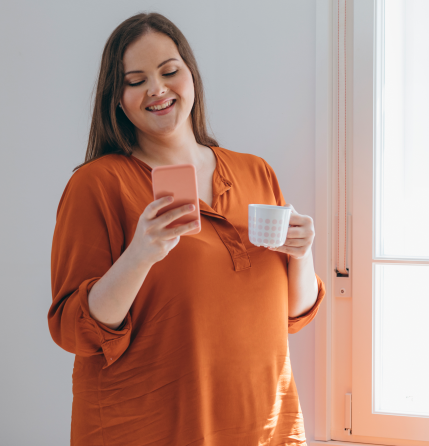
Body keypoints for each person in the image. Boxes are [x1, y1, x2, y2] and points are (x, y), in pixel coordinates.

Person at [48, 12, 326, 445]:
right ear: (116, 99)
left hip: (264, 426)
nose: (157, 89)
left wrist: (301, 252)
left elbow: (292, 315)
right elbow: (72, 329)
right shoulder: (99, 184)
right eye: (135, 80)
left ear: (191, 76)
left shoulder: (255, 172)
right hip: (148, 429)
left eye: (169, 71)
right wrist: (140, 254)